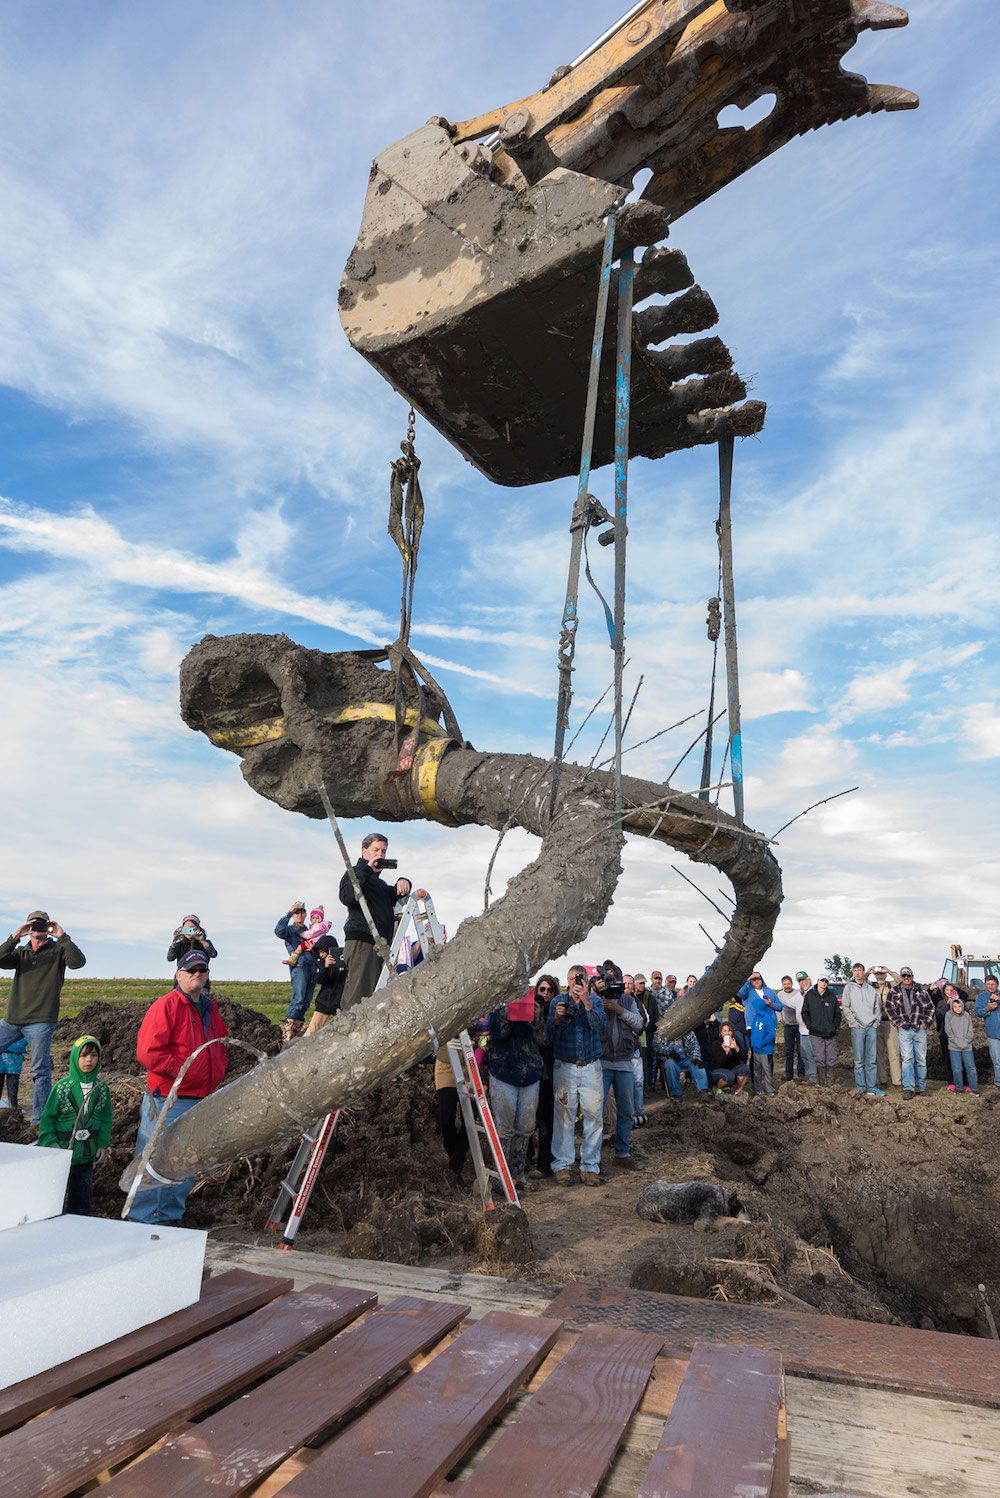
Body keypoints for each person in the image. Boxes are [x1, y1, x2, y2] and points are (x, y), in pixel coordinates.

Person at [129, 950, 228, 1225]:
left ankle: (170, 1218)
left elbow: (220, 1044)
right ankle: (143, 1220)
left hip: (201, 1098)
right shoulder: (166, 1006)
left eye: (202, 969)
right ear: (178, 975)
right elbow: (148, 1052)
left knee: (185, 1162)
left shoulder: (210, 1009)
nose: (197, 974)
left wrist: (216, 1069)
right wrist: (184, 1070)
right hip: (168, 1099)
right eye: (191, 970)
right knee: (153, 1158)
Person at [0, 911, 86, 1124]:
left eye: (42, 924)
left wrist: (62, 935)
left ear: (49, 927)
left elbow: (78, 962)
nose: (38, 928)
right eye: (33, 924)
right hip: (13, 1019)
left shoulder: (58, 951)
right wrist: (15, 935)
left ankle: (40, 1121)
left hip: (41, 1020)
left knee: (39, 1070)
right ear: (28, 928)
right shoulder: (20, 953)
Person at [37, 1036, 112, 1215]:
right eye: (83, 1055)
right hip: (61, 1153)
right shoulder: (62, 1088)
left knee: (81, 1200)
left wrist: (102, 1144)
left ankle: (79, 1224)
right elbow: (47, 1119)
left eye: (94, 1055)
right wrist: (51, 1146)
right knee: (53, 1199)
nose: (89, 1060)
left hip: (86, 1156)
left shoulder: (101, 1089)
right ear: (75, 1057)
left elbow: (105, 1119)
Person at [547, 964, 606, 1186]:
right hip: (565, 1066)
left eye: (580, 978)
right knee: (563, 1117)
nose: (575, 982)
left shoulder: (596, 1001)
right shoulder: (558, 1002)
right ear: (567, 980)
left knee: (593, 1116)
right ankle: (562, 1165)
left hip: (591, 1066)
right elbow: (550, 1034)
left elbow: (599, 1025)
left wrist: (587, 1002)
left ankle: (590, 1166)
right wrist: (558, 1018)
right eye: (572, 978)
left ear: (587, 981)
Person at [340, 832, 407, 1011]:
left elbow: (391, 896)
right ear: (364, 851)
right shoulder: (354, 873)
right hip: (363, 942)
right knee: (358, 998)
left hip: (380, 945)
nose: (380, 855)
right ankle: (348, 1035)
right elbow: (347, 896)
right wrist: (367, 869)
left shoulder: (379, 884)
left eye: (384, 851)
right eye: (376, 850)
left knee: (374, 997)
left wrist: (403, 883)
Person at [487, 991, 546, 1188]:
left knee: (526, 1127)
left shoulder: (535, 1007)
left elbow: (543, 1040)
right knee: (504, 1128)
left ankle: (517, 1175)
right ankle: (501, 1178)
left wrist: (536, 1020)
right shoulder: (497, 1006)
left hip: (529, 1073)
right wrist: (509, 1012)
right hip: (504, 1071)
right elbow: (499, 1034)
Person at [596, 967, 644, 1169]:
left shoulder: (628, 1000)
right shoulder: (597, 999)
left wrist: (619, 1010)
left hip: (624, 1061)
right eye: (608, 980)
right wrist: (599, 1000)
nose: (612, 984)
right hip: (602, 1062)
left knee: (626, 1109)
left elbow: (639, 1023)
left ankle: (622, 1153)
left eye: (615, 979)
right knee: (596, 1111)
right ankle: (593, 1156)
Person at [884, 965, 935, 1100]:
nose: (906, 978)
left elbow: (931, 1008)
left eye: (908, 976)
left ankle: (921, 1087)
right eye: (904, 976)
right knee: (907, 1059)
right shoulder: (894, 991)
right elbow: (888, 1008)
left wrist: (925, 1023)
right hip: (904, 1029)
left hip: (919, 1029)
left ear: (912, 977)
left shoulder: (922, 991)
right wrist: (899, 1023)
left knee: (921, 1060)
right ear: (901, 977)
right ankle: (908, 1088)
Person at [528, 973, 560, 1177]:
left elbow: (546, 1041)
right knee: (528, 1118)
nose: (546, 993)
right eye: (542, 989)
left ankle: (544, 1163)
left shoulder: (556, 1012)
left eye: (550, 990)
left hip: (548, 1072)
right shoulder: (528, 1010)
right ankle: (527, 1157)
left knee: (546, 1119)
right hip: (529, 1070)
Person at [274, 902, 316, 1044]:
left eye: (302, 912)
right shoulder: (290, 930)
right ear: (293, 915)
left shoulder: (310, 931)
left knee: (306, 1001)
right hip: (300, 966)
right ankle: (287, 1034)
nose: (300, 915)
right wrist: (288, 913)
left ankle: (296, 1033)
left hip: (312, 966)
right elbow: (278, 931)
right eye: (297, 913)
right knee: (298, 999)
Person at [842, 962, 885, 1097]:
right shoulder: (849, 988)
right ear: (853, 973)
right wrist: (853, 1023)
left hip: (871, 1027)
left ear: (863, 972)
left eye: (860, 970)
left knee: (871, 1059)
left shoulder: (871, 989)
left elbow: (877, 1008)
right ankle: (861, 1087)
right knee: (859, 1060)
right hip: (858, 1028)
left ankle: (871, 1087)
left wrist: (876, 1022)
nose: (858, 973)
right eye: (855, 971)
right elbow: (846, 1007)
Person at [741, 973, 780, 1097]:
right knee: (755, 1057)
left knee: (768, 1057)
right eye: (753, 979)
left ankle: (768, 1083)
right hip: (754, 1027)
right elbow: (740, 994)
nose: (756, 981)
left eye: (758, 978)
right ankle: (756, 1084)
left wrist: (771, 1004)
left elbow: (780, 1006)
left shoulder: (770, 992)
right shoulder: (747, 991)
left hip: (768, 1027)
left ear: (762, 979)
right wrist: (747, 980)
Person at [434, 1048, 469, 1177]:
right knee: (446, 1119)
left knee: (470, 1122)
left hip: (469, 1064)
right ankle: (453, 1156)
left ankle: (457, 1163)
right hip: (445, 1064)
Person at [802, 975, 842, 1085]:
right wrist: (810, 1026)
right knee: (819, 1058)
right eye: (822, 980)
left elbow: (837, 1014)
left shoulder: (831, 995)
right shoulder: (810, 995)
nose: (824, 983)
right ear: (818, 981)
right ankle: (822, 1083)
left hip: (830, 1033)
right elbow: (805, 1012)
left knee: (831, 1058)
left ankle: (831, 1083)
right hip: (816, 1033)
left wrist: (834, 1027)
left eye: (826, 981)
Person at [304, 939, 348, 1036]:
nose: (321, 955)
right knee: (311, 1032)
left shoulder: (345, 958)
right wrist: (325, 967)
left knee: (344, 1031)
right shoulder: (321, 962)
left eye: (322, 951)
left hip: (341, 1003)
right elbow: (319, 980)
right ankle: (298, 1050)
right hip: (324, 1002)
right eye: (319, 952)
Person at [943, 987, 979, 1094]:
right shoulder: (948, 1015)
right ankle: (958, 1088)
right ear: (952, 1007)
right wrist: (957, 1043)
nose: (957, 1008)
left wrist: (966, 1042)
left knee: (971, 1068)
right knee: (957, 1068)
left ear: (962, 1006)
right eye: (955, 1006)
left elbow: (970, 1031)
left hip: (967, 1047)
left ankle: (974, 1089)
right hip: (954, 1047)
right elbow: (949, 1032)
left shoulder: (967, 1016)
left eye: (959, 1006)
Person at [873, 966, 902, 1088]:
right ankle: (883, 1080)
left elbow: (901, 980)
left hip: (890, 1022)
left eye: (881, 974)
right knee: (878, 1054)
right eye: (877, 974)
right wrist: (868, 972)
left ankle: (897, 1081)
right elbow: (855, 981)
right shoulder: (871, 985)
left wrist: (889, 971)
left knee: (894, 1052)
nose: (880, 976)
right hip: (876, 1022)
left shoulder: (891, 985)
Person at [705, 1020, 749, 1094]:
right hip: (717, 1070)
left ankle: (737, 1091)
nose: (727, 1033)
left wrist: (736, 1048)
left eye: (729, 1031)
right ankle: (717, 1089)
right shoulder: (716, 1043)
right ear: (721, 1033)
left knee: (745, 1069)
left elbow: (744, 1059)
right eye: (725, 1031)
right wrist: (726, 1052)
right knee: (729, 1076)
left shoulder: (735, 1041)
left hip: (731, 1069)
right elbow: (718, 1062)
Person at [974, 975, 1000, 1089]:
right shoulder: (981, 997)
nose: (991, 986)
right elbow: (978, 1012)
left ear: (997, 985)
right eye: (988, 984)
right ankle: (999, 1083)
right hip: (993, 1033)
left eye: (993, 984)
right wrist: (987, 1008)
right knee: (997, 1061)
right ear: (985, 985)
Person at [631, 974, 649, 1126]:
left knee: (638, 1082)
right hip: (620, 1052)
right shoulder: (613, 1001)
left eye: (630, 984)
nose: (627, 986)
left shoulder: (637, 1001)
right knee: (626, 1085)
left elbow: (645, 1020)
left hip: (635, 1048)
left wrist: (638, 1029)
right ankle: (629, 1114)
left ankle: (639, 1112)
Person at [779, 975, 805, 1081]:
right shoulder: (780, 994)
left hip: (799, 1025)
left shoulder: (798, 993)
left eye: (788, 984)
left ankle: (801, 1073)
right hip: (788, 1026)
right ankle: (788, 1074)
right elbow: (777, 1009)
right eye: (784, 984)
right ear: (782, 984)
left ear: (792, 983)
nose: (787, 986)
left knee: (801, 1050)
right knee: (789, 1050)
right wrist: (781, 1020)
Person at [643, 971, 666, 1087]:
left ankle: (663, 1083)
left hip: (663, 1029)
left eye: (659, 979)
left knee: (662, 1056)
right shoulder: (646, 992)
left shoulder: (667, 993)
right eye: (655, 979)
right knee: (649, 1057)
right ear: (651, 979)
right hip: (649, 1029)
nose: (657, 981)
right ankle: (649, 1084)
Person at [0, 1031, 28, 1111]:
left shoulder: (21, 1029)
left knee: (13, 1086)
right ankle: (13, 1108)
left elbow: (26, 1039)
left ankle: (13, 1110)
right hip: (9, 1058)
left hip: (14, 1059)